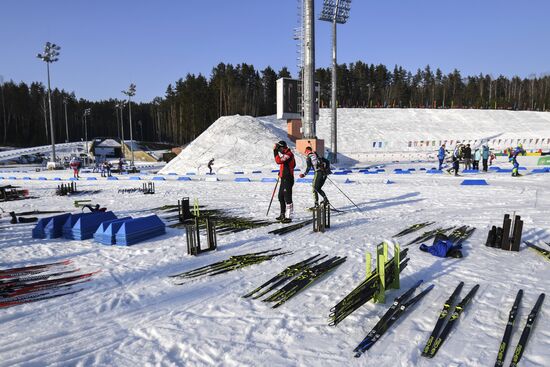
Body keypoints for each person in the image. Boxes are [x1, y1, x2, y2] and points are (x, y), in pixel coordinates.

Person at [273, 141, 295, 223]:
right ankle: (282, 214)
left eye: (279, 149)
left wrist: (275, 151)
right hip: (284, 178)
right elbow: (283, 165)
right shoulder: (286, 155)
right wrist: (281, 172)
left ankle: (289, 216)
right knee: (280, 197)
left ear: (282, 147)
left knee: (287, 197)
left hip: (288, 179)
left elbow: (279, 161)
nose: (279, 151)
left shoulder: (289, 154)